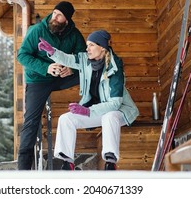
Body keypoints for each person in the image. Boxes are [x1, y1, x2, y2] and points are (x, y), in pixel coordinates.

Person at [38, 30, 139, 170]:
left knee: (109, 117)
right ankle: (67, 163)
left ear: (102, 47)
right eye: (87, 45)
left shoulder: (115, 68)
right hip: (95, 111)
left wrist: (87, 111)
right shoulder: (85, 60)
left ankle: (110, 162)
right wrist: (52, 51)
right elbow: (68, 59)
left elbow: (115, 104)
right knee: (66, 119)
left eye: (91, 45)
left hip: (120, 111)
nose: (87, 49)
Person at [16, 1, 86, 170]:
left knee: (91, 72)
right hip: (38, 80)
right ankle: (23, 170)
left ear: (66, 20)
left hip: (62, 77)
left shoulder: (74, 35)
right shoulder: (37, 30)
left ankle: (98, 107)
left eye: (59, 15)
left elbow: (84, 58)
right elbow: (22, 56)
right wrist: (46, 67)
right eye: (54, 13)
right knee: (31, 122)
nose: (55, 17)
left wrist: (72, 69)